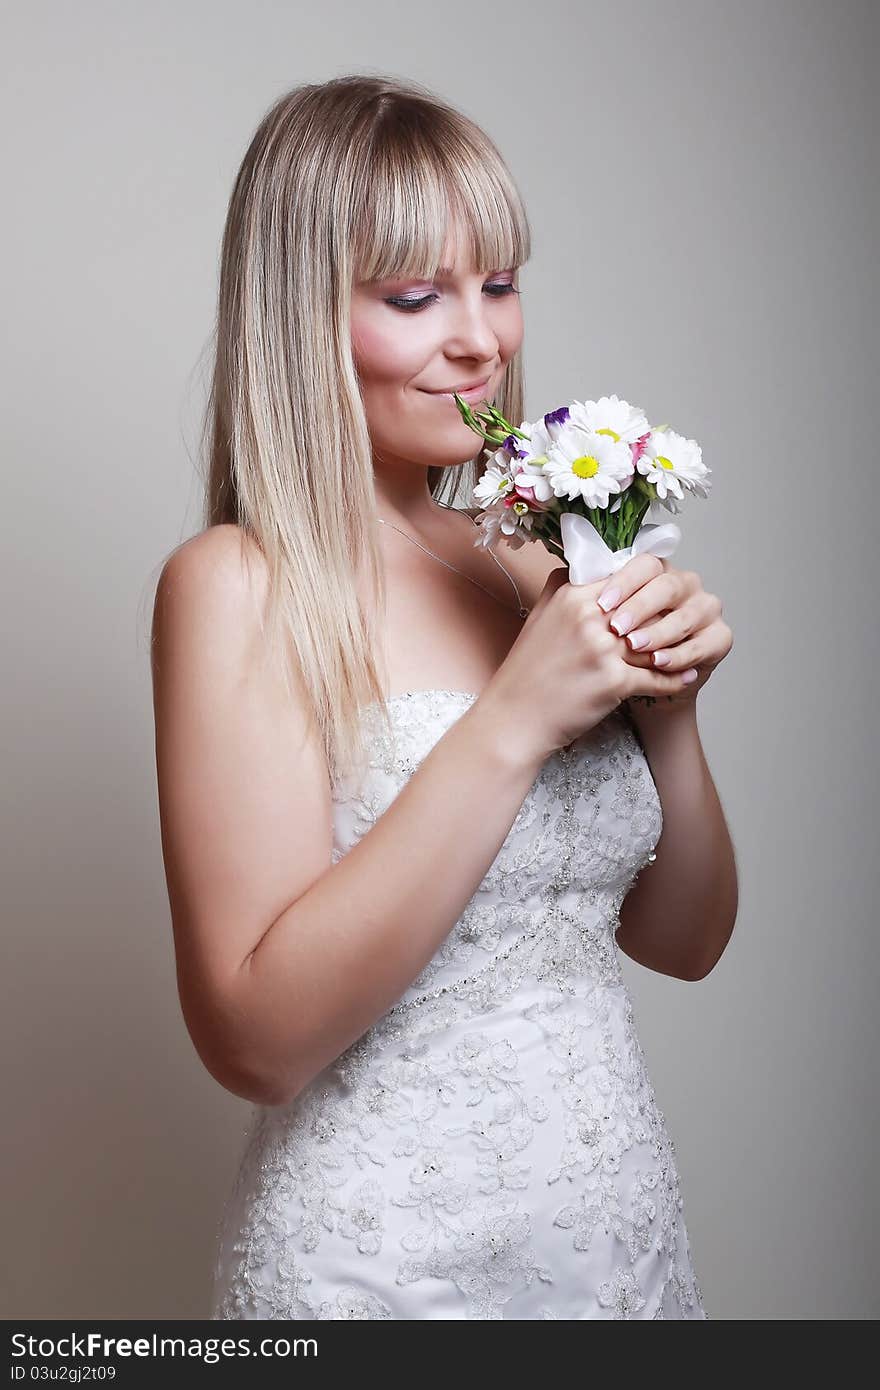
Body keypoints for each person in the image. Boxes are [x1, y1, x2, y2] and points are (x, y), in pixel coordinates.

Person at [150, 73, 736, 1320]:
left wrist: (671, 717)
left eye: (500, 281)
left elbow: (682, 943)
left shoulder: (533, 554)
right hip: (387, 1271)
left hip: (614, 1247)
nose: (481, 338)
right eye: (416, 296)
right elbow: (254, 1041)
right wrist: (514, 721)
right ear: (298, 315)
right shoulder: (239, 586)